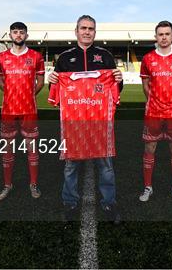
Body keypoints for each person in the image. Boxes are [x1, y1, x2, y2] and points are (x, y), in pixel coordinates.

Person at [48, 15, 123, 223]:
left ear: (95, 33)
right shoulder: (64, 58)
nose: (87, 31)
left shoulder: (105, 55)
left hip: (100, 121)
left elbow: (116, 88)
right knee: (71, 164)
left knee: (105, 164)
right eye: (83, 28)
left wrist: (119, 80)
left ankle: (109, 202)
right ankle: (69, 202)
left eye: (91, 28)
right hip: (74, 122)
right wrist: (52, 80)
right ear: (76, 31)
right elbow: (55, 90)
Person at [138, 21, 172, 205]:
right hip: (153, 111)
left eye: (167, 34)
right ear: (156, 37)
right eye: (160, 34)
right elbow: (145, 85)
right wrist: (154, 102)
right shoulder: (147, 59)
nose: (164, 37)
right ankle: (148, 187)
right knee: (149, 148)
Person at [0, 22, 45, 200]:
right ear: (10, 35)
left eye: (21, 32)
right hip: (8, 110)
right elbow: (0, 81)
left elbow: (41, 82)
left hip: (29, 110)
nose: (18, 35)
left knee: (32, 148)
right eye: (15, 32)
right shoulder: (1, 57)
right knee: (7, 149)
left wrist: (29, 95)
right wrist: (10, 94)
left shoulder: (36, 56)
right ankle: (7, 185)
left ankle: (33, 184)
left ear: (26, 35)